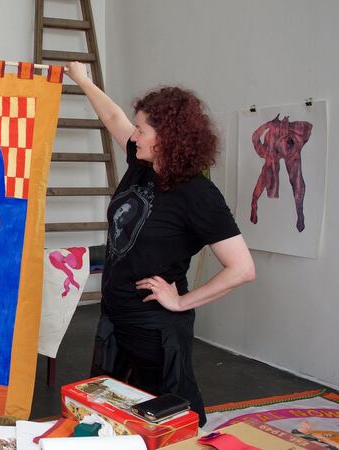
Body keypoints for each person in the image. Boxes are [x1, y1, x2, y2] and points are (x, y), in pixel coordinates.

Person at [65, 61, 256, 426]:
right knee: (110, 412)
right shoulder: (142, 165)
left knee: (165, 418)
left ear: (166, 136)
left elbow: (243, 268)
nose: (134, 135)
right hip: (115, 315)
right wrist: (82, 80)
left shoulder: (198, 194)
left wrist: (181, 300)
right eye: (136, 127)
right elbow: (113, 118)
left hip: (155, 327)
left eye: (142, 129)